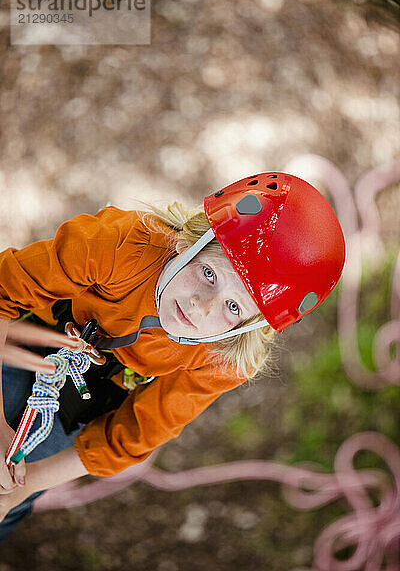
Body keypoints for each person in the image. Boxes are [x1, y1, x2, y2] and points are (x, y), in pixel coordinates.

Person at [0, 171, 346, 541]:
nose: (200, 307)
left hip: (87, 401)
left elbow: (132, 435)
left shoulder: (222, 359)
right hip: (24, 336)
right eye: (210, 273)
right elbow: (6, 287)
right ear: (188, 244)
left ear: (249, 327)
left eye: (232, 306)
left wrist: (23, 488)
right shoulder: (122, 244)